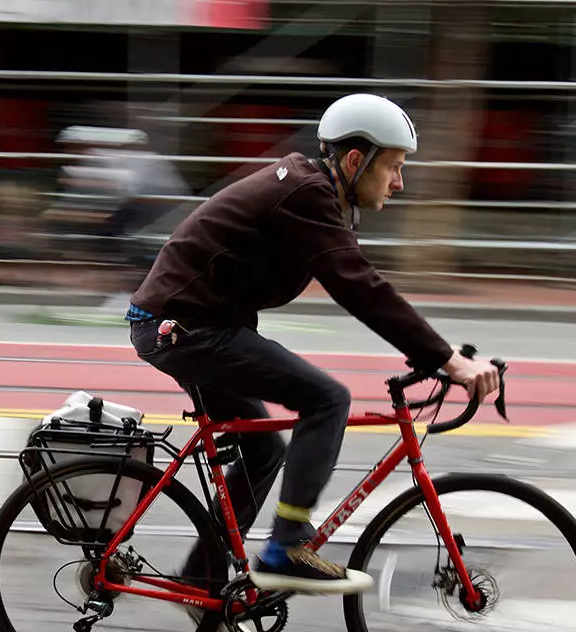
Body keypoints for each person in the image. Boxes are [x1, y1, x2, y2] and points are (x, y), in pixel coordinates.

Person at [125, 93, 500, 595]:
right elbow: (360, 287)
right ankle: (287, 547)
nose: (399, 181)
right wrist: (445, 360)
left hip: (195, 325)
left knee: (263, 449)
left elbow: (360, 283)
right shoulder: (306, 193)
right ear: (354, 160)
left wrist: (435, 355)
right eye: (393, 166)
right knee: (327, 399)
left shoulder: (315, 195)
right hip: (185, 329)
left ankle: (202, 583)